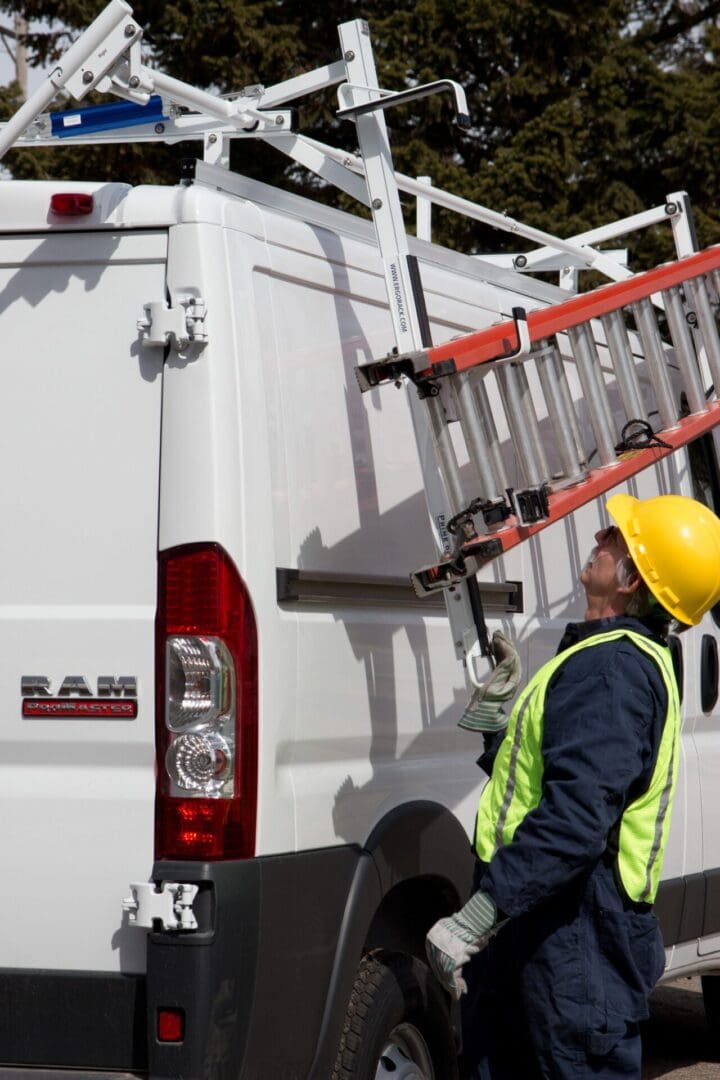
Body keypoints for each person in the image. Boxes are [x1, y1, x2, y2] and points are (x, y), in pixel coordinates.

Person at [426, 492, 720, 1079]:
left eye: (615, 539)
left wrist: (481, 913)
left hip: (571, 944)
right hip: (553, 937)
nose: (599, 540)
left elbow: (577, 819)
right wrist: (495, 728)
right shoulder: (614, 662)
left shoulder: (611, 672)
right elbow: (552, 786)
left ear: (634, 578)